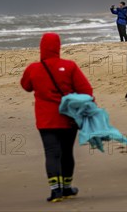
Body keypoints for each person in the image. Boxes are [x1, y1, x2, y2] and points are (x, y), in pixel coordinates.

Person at [21, 33, 94, 202]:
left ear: (41, 48)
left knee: (52, 154)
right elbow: (86, 90)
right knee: (67, 152)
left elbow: (26, 86)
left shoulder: (33, 68)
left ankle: (56, 191)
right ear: (58, 47)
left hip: (45, 120)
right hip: (68, 119)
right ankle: (67, 187)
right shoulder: (70, 66)